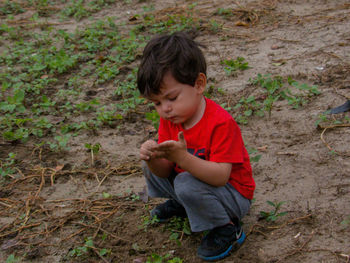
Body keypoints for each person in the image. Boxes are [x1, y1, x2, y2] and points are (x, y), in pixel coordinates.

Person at [137, 31, 255, 261]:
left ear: (199, 84)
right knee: (150, 162)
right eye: (157, 103)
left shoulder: (220, 123)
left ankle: (227, 228)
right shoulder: (171, 119)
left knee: (186, 183)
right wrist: (153, 158)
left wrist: (183, 158)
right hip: (195, 182)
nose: (165, 109)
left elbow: (221, 176)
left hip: (233, 195)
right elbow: (166, 170)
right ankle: (186, 204)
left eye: (171, 98)